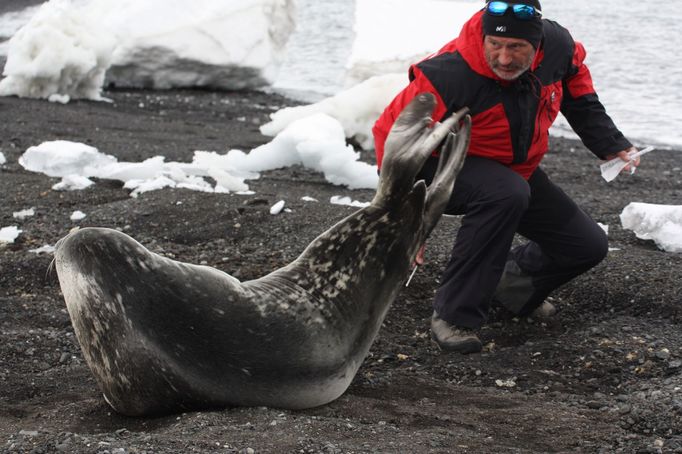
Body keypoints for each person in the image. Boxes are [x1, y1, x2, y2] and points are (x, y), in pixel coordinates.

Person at [372, 0, 641, 354]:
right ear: (483, 37)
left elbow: (578, 91)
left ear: (538, 44)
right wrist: (408, 216)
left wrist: (610, 143)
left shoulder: (559, 48)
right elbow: (391, 137)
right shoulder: (448, 74)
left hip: (514, 170)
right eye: (494, 46)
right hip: (436, 168)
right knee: (506, 193)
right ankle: (454, 315)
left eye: (516, 48)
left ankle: (509, 288)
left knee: (585, 246)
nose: (503, 59)